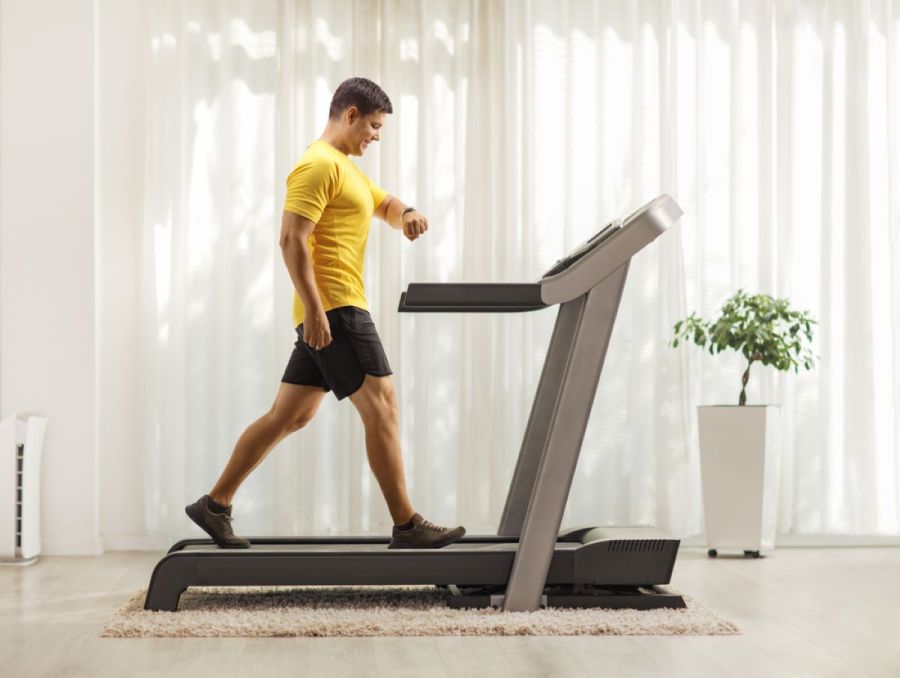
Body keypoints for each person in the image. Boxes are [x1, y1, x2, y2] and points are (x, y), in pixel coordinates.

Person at [186, 77, 466, 550]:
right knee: (383, 408)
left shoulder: (345, 168)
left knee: (287, 416)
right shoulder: (316, 166)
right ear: (351, 114)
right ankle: (407, 525)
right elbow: (290, 239)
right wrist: (315, 310)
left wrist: (409, 212)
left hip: (332, 308)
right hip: (336, 309)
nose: (376, 136)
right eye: (374, 126)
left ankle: (214, 506)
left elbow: (383, 203)